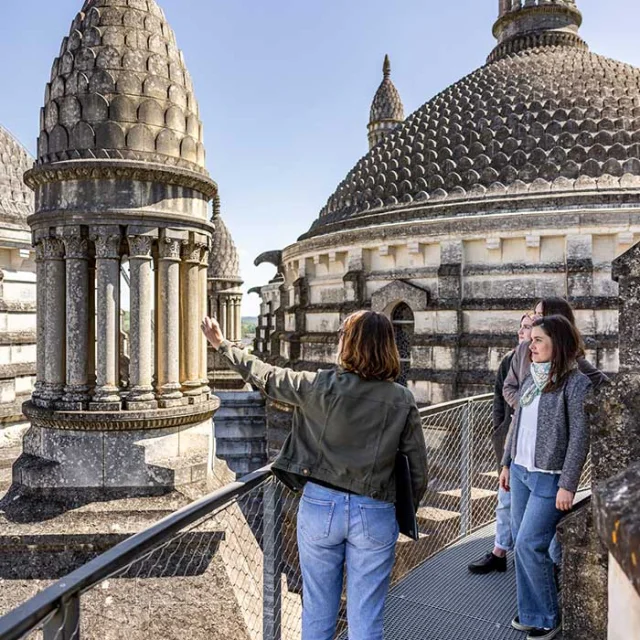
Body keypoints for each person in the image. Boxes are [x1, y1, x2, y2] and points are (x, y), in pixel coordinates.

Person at [201, 311, 428, 640]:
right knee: (366, 619)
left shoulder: (320, 385)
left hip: (321, 506)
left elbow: (268, 377)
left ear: (349, 344)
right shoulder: (401, 399)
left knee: (318, 613)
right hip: (375, 511)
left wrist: (222, 345)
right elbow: (417, 469)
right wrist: (405, 512)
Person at [500, 315, 592, 640]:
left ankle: (546, 617)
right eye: (531, 339)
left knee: (530, 543)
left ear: (558, 343)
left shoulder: (576, 383)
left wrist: (568, 484)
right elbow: (517, 423)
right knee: (519, 539)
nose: (530, 345)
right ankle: (531, 611)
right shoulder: (531, 377)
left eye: (538, 340)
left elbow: (580, 437)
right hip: (522, 472)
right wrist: (506, 463)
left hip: (549, 478)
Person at [468, 312, 534, 574]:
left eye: (527, 327)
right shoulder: (510, 359)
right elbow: (499, 398)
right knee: (505, 498)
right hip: (511, 441)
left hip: (534, 445)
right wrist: (499, 431)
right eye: (521, 327)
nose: (521, 331)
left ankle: (520, 558)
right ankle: (499, 552)